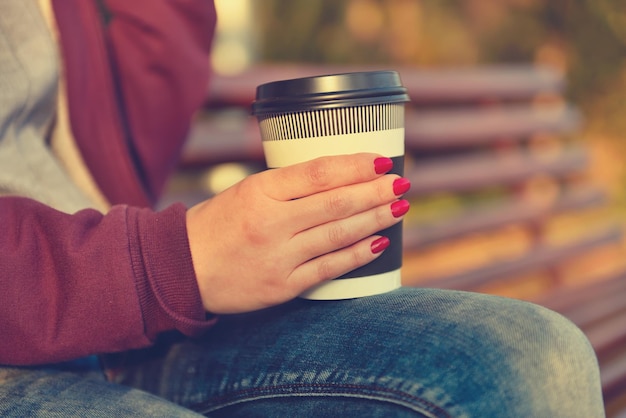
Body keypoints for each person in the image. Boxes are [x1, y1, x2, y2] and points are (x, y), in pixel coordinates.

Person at [0, 1, 606, 416]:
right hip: (50, 322)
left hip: (120, 328)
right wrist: (167, 262)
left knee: (536, 358)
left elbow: (136, 124)